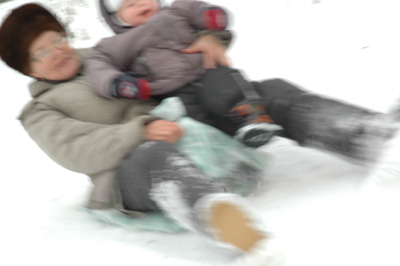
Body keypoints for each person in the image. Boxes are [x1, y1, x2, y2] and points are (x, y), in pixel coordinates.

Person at [1, 3, 398, 265]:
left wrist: (210, 39)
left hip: (187, 129)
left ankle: (366, 135)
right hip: (130, 170)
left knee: (265, 91)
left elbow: (170, 41)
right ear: (27, 67)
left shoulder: (107, 52)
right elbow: (78, 151)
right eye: (40, 52)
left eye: (56, 39)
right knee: (151, 157)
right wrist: (141, 129)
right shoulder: (40, 111)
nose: (56, 51)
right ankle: (227, 222)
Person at [89, 0, 282, 148]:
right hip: (170, 91)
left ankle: (252, 118)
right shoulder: (118, 43)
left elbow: (194, 8)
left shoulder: (174, 11)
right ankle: (221, 150)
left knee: (227, 88)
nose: (141, 3)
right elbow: (99, 62)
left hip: (206, 69)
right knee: (192, 121)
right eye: (130, 4)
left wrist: (209, 16)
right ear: (116, 17)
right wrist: (116, 82)